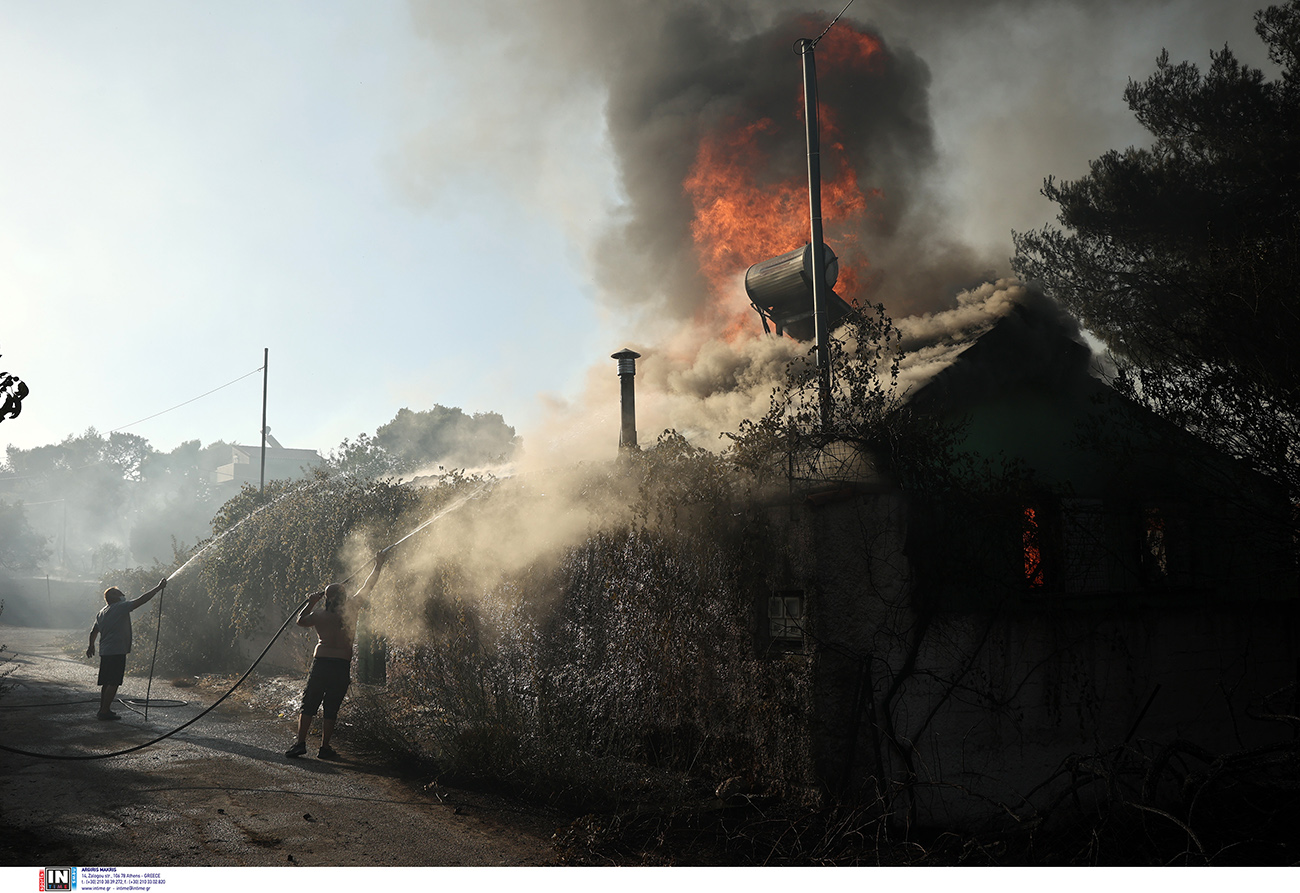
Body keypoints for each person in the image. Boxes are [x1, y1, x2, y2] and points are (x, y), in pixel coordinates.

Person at [285, 549, 387, 760]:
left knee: (309, 704)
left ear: (327, 598)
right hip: (341, 665)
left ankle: (300, 743)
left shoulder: (319, 614)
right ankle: (324, 748)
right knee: (331, 707)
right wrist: (378, 565)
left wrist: (311, 601)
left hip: (321, 663)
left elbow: (300, 621)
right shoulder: (352, 607)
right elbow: (369, 585)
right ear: (344, 596)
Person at [86, 578, 168, 720]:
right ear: (114, 597)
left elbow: (94, 631)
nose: (123, 595)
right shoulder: (119, 607)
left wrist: (91, 646)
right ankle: (104, 712)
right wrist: (158, 588)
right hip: (116, 650)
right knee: (114, 681)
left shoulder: (102, 612)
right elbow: (141, 600)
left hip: (105, 651)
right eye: (120, 593)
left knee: (106, 682)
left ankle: (103, 709)